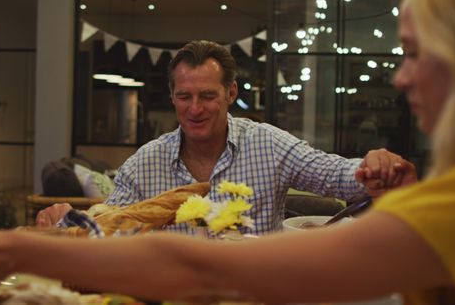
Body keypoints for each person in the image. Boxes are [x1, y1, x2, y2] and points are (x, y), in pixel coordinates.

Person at [0, 0, 455, 303]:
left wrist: (16, 252)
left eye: (416, 53)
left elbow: (199, 259)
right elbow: (114, 228)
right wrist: (69, 228)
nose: (399, 77)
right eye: (183, 96)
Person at [37, 40, 416, 234]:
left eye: (208, 96)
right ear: (172, 98)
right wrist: (63, 220)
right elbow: (109, 225)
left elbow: (336, 175)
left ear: (231, 93)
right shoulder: (145, 163)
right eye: (184, 97)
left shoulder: (267, 144)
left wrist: (375, 167)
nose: (195, 109)